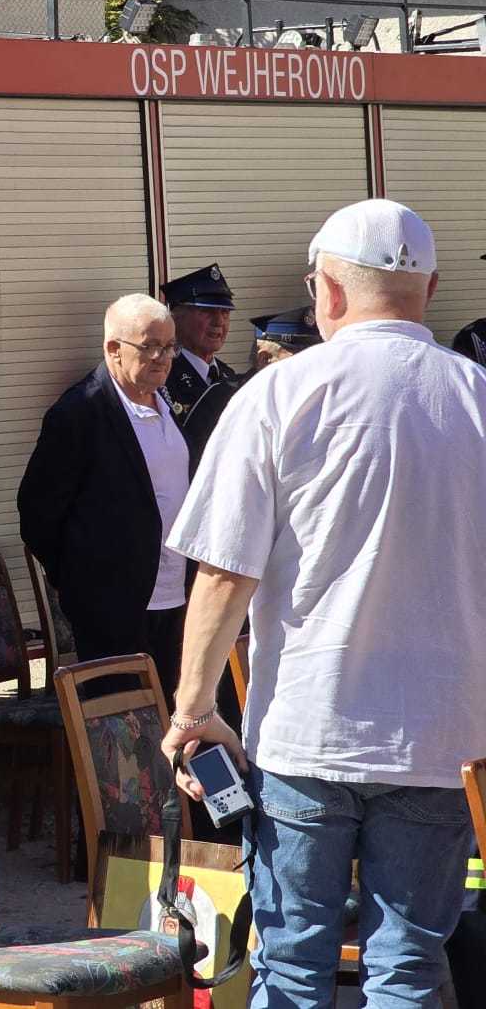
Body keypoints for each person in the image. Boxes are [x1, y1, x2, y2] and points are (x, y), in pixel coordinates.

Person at [162, 198, 486, 1004]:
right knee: (409, 966)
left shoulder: (278, 395)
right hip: (443, 738)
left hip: (308, 733)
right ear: (432, 287)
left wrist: (194, 710)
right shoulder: (478, 396)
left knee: (292, 966)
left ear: (328, 293)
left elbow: (223, 575)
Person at [17, 294, 191, 699]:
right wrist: (77, 578)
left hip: (173, 592)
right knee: (122, 717)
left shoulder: (165, 402)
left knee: (171, 708)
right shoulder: (82, 412)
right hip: (113, 603)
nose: (164, 358)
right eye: (150, 347)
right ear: (114, 348)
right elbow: (38, 510)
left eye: (169, 347)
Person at [181, 306, 320, 460]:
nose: (309, 367)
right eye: (298, 360)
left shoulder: (312, 401)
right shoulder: (222, 399)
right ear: (265, 359)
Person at [159, 263, 237, 424]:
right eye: (207, 312)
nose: (219, 322)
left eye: (225, 312)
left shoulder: (227, 374)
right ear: (174, 318)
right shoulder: (162, 376)